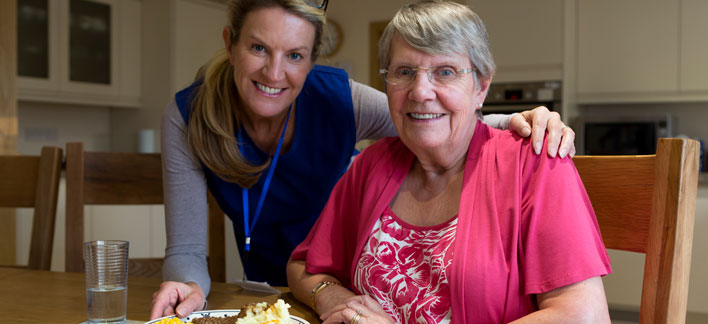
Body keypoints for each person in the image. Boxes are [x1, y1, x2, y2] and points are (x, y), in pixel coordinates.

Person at [151, 0, 577, 319]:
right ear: (230, 43)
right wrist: (188, 287)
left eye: (295, 55)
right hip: (291, 297)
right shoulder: (190, 115)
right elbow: (188, 246)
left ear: (313, 61)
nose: (274, 72)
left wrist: (522, 121)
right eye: (258, 48)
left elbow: (431, 120)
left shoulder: (342, 103)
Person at [286, 1, 611, 323]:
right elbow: (305, 266)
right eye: (404, 72)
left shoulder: (534, 164)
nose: (420, 91)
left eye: (445, 72)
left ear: (481, 86)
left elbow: (584, 316)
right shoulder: (372, 165)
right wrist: (336, 299)